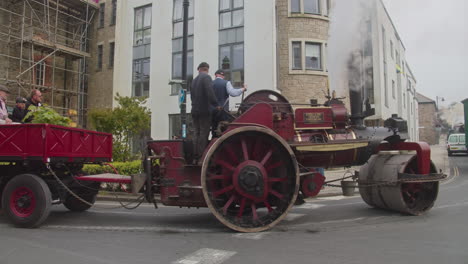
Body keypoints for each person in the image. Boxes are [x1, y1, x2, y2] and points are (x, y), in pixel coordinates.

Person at [190, 62, 220, 164]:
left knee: (196, 133)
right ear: (207, 69)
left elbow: (192, 97)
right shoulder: (206, 78)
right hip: (204, 111)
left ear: (199, 69)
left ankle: (194, 157)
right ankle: (201, 158)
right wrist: (216, 105)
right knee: (203, 133)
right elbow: (210, 93)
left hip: (194, 111)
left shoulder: (194, 80)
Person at [211, 69, 247, 137]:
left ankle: (213, 142)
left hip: (212, 111)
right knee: (223, 129)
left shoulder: (210, 83)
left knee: (214, 128)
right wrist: (243, 89)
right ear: (223, 76)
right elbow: (233, 93)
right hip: (223, 111)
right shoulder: (226, 83)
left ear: (215, 75)